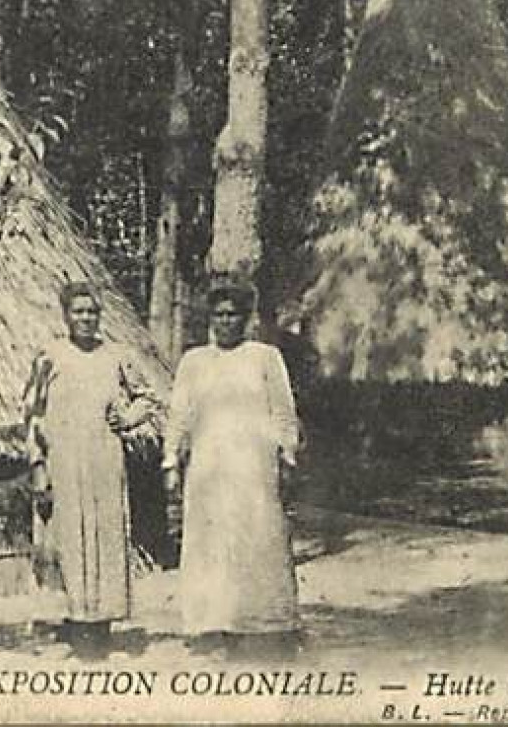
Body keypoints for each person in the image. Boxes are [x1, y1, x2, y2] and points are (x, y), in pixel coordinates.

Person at [163, 282, 302, 653]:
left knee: (257, 539)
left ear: (245, 319)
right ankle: (212, 623)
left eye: (232, 314)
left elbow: (284, 412)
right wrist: (171, 460)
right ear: (210, 319)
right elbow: (179, 414)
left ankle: (263, 622)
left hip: (253, 468)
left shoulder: (265, 357)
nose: (225, 321)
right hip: (209, 469)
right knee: (211, 545)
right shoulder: (194, 362)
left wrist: (287, 456)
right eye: (218, 314)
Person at [25, 281, 160, 658]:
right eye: (78, 311)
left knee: (104, 537)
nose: (85, 318)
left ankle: (101, 624)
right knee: (69, 538)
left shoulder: (115, 355)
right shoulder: (49, 356)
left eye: (91, 312)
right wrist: (39, 469)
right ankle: (75, 623)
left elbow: (147, 397)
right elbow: (33, 415)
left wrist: (128, 418)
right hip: (64, 462)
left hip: (104, 457)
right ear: (66, 315)